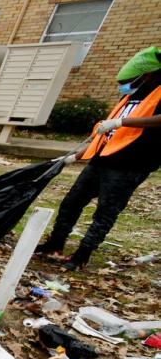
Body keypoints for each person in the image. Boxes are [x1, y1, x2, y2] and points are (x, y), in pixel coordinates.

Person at [38, 46, 161, 270]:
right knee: (71, 203)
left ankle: (81, 256)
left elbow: (129, 126)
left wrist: (122, 122)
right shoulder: (130, 97)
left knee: (105, 211)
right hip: (101, 159)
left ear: (148, 74)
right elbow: (108, 136)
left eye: (132, 79)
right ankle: (55, 243)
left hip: (129, 165)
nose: (126, 84)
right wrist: (73, 158)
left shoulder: (159, 93)